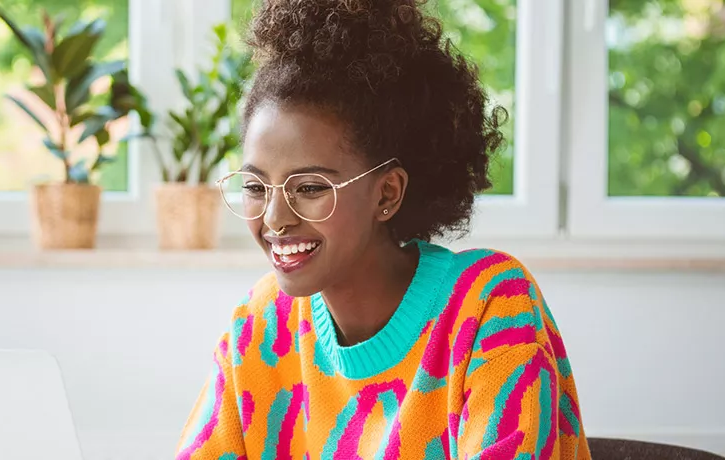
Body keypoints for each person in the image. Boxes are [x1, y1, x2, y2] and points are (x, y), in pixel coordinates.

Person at [175, 0, 590, 458]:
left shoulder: (488, 307)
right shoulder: (260, 327)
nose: (274, 218)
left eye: (309, 187)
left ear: (387, 193)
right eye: (255, 186)